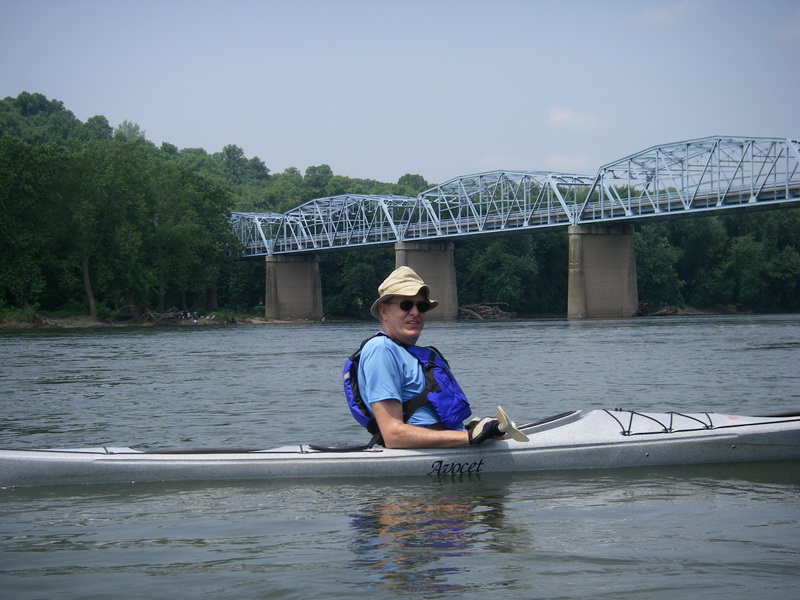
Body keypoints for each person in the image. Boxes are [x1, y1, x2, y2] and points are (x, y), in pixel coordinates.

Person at [348, 265, 503, 448]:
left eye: (421, 306)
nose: (415, 312)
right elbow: (393, 435)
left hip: (448, 446)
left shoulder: (403, 351)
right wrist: (468, 438)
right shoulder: (382, 350)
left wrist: (473, 430)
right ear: (384, 311)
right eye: (406, 305)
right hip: (426, 457)